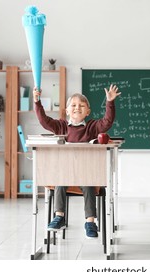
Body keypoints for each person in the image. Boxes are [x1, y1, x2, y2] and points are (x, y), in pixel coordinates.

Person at [32, 84, 121, 239]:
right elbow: (44, 121)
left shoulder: (93, 127)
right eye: (73, 105)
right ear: (66, 110)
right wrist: (37, 102)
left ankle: (90, 222)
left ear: (88, 111)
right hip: (65, 173)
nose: (77, 108)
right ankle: (59, 217)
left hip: (86, 173)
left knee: (88, 183)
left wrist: (110, 102)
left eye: (81, 105)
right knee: (60, 180)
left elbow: (107, 122)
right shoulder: (60, 126)